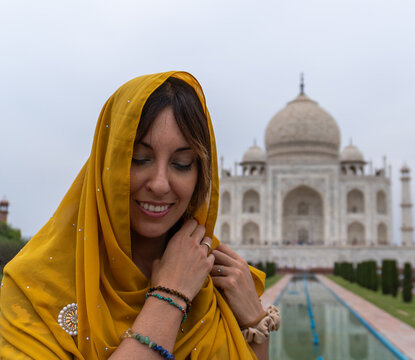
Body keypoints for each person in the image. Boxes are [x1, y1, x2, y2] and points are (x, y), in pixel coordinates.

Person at [0, 72, 279, 359]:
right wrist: (170, 297)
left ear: (201, 176)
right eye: (139, 159)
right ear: (107, 164)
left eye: (181, 164)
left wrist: (254, 325)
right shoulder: (35, 288)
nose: (159, 184)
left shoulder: (216, 280)